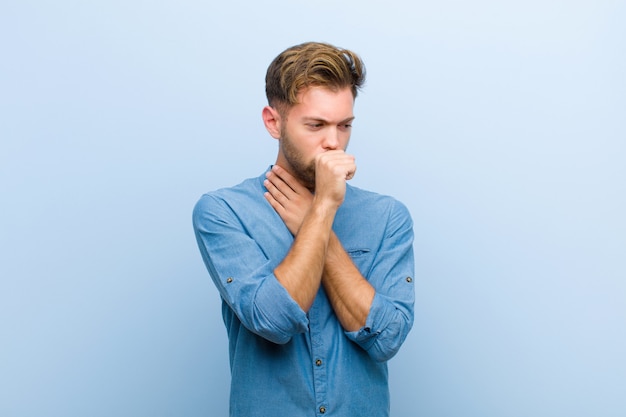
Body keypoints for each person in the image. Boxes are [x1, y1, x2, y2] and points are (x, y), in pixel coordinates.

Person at [192, 41, 415, 417]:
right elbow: (275, 321)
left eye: (344, 126)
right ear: (273, 122)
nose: (333, 142)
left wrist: (316, 218)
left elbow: (387, 337)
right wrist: (325, 206)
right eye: (315, 125)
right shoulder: (223, 212)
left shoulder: (388, 216)